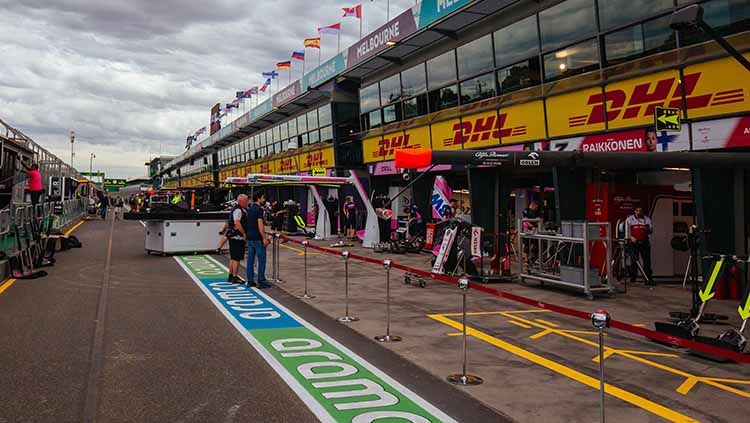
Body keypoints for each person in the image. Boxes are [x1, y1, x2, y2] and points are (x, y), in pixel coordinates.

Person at [246, 191, 270, 288]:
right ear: (259, 198)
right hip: (257, 238)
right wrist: (264, 238)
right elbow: (260, 224)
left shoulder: (250, 209)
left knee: (250, 260)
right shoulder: (259, 209)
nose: (264, 200)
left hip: (250, 237)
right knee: (261, 259)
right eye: (263, 198)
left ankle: (250, 280)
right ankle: (261, 280)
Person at [626, 207, 654, 286]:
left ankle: (648, 278)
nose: (639, 212)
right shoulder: (629, 219)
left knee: (647, 261)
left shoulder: (647, 219)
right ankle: (633, 278)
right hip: (634, 242)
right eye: (637, 210)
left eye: (640, 211)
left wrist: (648, 228)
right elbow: (626, 231)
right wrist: (631, 237)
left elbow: (651, 230)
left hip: (644, 242)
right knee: (634, 260)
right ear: (634, 211)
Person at [227, 194, 249, 284]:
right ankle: (235, 276)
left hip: (233, 236)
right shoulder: (238, 210)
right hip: (237, 237)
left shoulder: (239, 209)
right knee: (236, 257)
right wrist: (244, 233)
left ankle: (231, 275)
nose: (247, 202)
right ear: (241, 201)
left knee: (233, 257)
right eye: (246, 201)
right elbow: (237, 222)